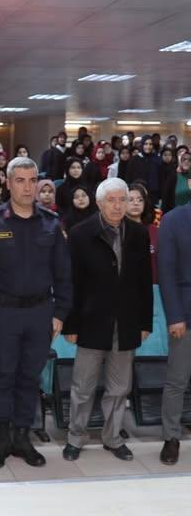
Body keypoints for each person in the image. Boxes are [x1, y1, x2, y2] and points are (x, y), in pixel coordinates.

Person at [0, 157, 71, 469]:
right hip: (3, 314)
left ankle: (23, 436)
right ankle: (2, 438)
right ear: (8, 183)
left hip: (41, 313)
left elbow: (64, 274)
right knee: (2, 376)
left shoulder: (51, 224)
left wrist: (60, 312)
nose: (27, 187)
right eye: (20, 180)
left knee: (29, 376)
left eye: (32, 180)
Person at [62, 178, 152, 462]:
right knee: (83, 386)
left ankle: (112, 438)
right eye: (111, 200)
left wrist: (145, 322)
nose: (117, 205)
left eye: (122, 200)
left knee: (119, 387)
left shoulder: (138, 234)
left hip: (126, 323)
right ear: (99, 203)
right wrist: (71, 324)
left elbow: (144, 282)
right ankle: (76, 437)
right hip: (90, 322)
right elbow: (72, 283)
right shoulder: (79, 234)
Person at [157, 200, 191, 465]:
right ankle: (171, 437)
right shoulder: (173, 219)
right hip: (185, 314)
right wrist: (175, 316)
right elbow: (166, 272)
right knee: (177, 380)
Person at [126, 182, 159, 283]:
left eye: (140, 200)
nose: (136, 203)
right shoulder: (115, 231)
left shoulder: (155, 231)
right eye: (130, 200)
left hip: (153, 288)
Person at [126, 134, 161, 206]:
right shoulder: (134, 159)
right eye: (145, 144)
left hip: (153, 195)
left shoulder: (157, 159)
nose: (148, 146)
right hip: (138, 193)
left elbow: (161, 177)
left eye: (150, 144)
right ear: (142, 145)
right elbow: (129, 177)